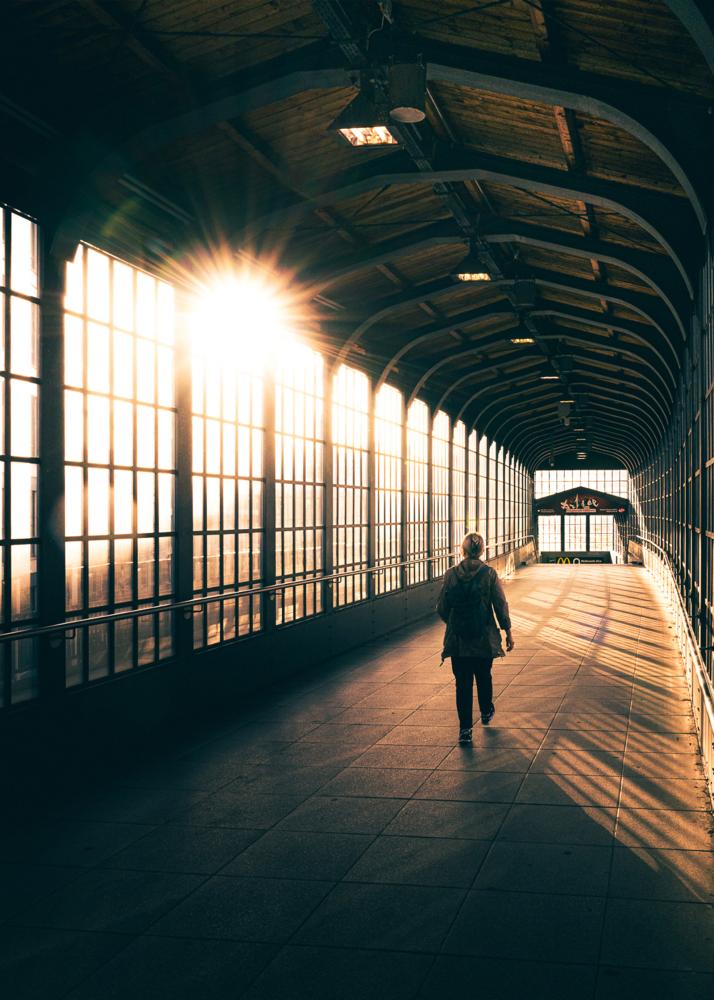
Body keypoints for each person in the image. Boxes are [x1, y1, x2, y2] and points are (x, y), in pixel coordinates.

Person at [436, 532, 515, 744]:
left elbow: (442, 607)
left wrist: (456, 622)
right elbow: (500, 604)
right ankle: (487, 710)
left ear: (462, 549)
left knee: (462, 684)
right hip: (483, 638)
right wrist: (507, 631)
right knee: (483, 676)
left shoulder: (450, 574)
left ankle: (464, 730)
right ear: (482, 550)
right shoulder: (489, 574)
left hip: (458, 641)